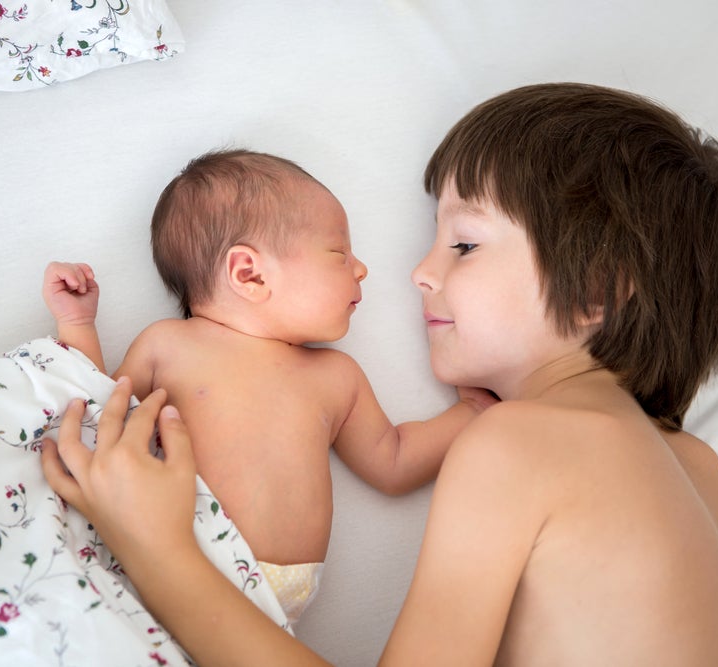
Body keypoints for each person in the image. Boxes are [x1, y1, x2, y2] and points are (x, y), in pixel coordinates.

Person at [42, 83, 718, 665]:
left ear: (595, 291)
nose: (420, 273)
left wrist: (159, 549)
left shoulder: (523, 444)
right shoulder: (694, 465)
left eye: (465, 243)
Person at [41, 149, 495, 626]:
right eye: (340, 254)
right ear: (249, 274)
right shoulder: (170, 345)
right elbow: (91, 416)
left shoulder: (336, 376)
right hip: (156, 567)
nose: (361, 270)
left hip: (270, 607)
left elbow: (394, 460)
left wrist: (469, 413)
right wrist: (77, 324)